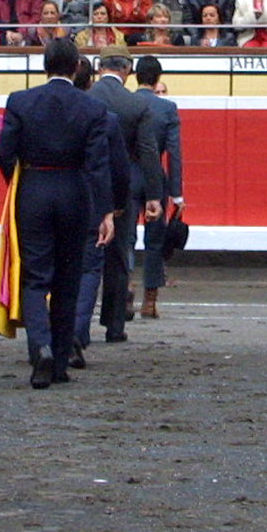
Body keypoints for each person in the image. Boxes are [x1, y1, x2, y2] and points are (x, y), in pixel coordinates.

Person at [0, 38, 119, 388]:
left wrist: (20, 182)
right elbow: (98, 166)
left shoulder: (20, 101)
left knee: (35, 278)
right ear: (77, 66)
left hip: (34, 191)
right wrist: (106, 211)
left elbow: (4, 154)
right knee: (67, 281)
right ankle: (60, 362)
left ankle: (42, 348)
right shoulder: (91, 109)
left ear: (44, 65)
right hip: (74, 194)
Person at [78, 54, 159, 349]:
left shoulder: (84, 97)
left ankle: (78, 327)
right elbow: (148, 152)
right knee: (119, 256)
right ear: (127, 71)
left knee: (84, 255)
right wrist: (153, 195)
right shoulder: (137, 103)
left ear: (100, 69)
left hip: (86, 186)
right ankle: (114, 326)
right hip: (123, 190)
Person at [130, 55, 184, 320]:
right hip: (155, 179)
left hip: (126, 176)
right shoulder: (167, 108)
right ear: (158, 79)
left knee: (124, 237)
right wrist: (177, 192)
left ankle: (124, 289)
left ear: (135, 75)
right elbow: (173, 153)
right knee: (154, 240)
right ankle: (149, 301)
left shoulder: (123, 103)